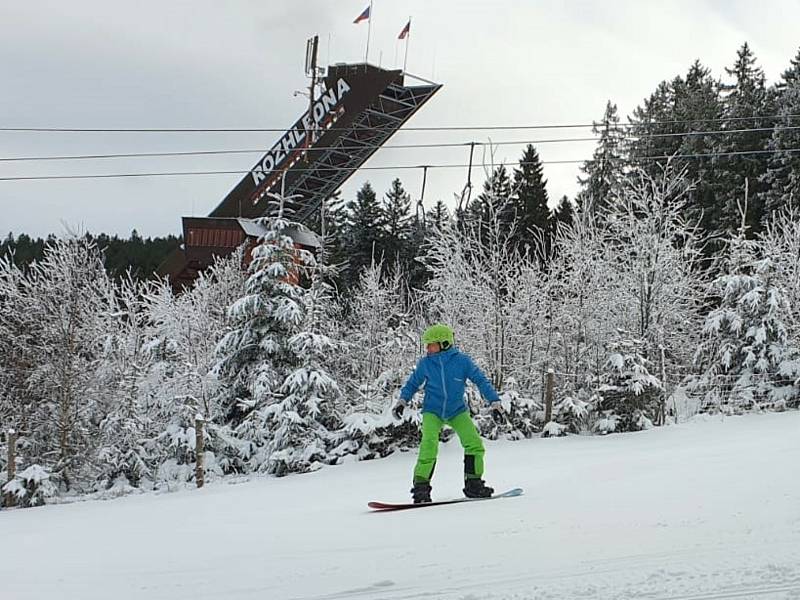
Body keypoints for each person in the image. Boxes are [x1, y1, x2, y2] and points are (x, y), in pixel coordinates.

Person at [393, 323, 503, 504]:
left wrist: (495, 403)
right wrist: (402, 402)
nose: (427, 348)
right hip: (433, 411)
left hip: (456, 411)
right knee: (429, 444)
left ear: (444, 344)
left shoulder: (462, 362)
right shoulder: (426, 364)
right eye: (427, 345)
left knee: (474, 443)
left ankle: (473, 484)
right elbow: (412, 384)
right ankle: (421, 489)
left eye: (431, 344)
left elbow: (481, 380)